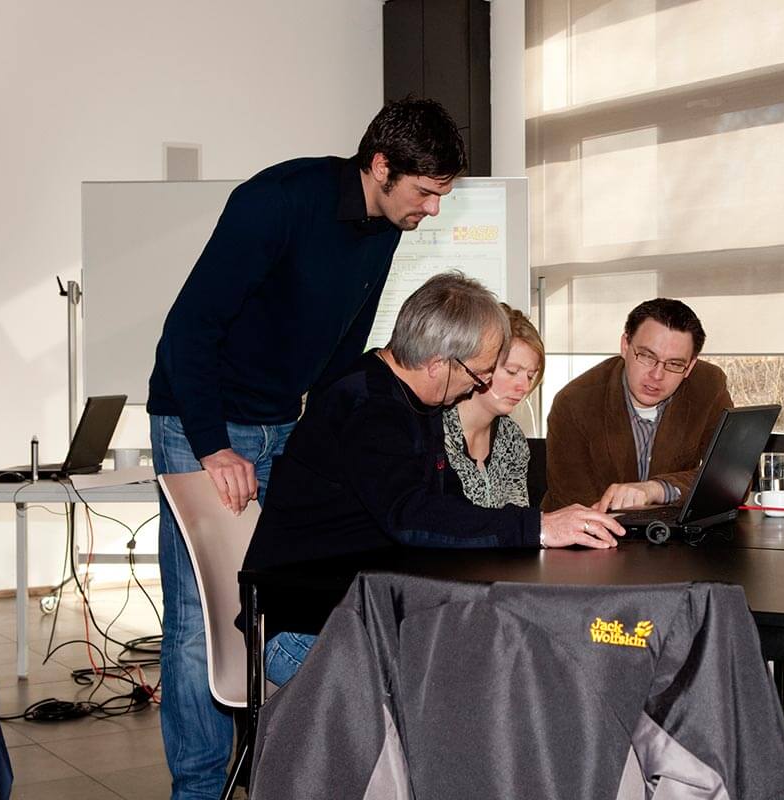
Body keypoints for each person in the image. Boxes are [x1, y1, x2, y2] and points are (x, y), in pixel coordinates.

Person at [146, 98, 466, 800]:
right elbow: (189, 329)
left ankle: (278, 770)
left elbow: (342, 348)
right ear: (381, 166)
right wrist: (212, 447)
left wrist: (332, 433)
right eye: (425, 192)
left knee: (284, 596)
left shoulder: (385, 226)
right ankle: (197, 789)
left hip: (281, 420)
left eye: (441, 195)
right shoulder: (278, 202)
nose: (433, 209)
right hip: (202, 419)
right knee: (202, 617)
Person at [243, 272, 623, 686]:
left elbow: (446, 504)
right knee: (464, 689)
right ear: (439, 363)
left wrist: (533, 529)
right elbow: (411, 516)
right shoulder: (368, 407)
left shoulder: (412, 400)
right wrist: (538, 527)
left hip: (356, 610)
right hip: (300, 627)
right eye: (478, 374)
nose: (478, 386)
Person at [541, 298, 733, 512]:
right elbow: (575, 505)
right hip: (590, 528)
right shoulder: (574, 403)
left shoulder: (709, 386)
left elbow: (731, 476)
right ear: (625, 346)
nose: (657, 375)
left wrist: (658, 489)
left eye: (674, 364)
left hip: (673, 529)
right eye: (647, 356)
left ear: (690, 367)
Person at [442, 304, 544, 508]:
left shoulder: (513, 438)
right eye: (512, 371)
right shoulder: (433, 430)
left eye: (530, 376)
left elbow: (517, 516)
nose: (524, 387)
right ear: (481, 365)